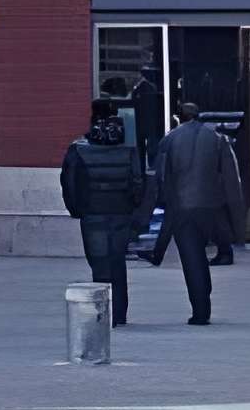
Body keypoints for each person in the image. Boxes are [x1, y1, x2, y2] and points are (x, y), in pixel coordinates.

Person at [59, 95, 153, 327]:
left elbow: (69, 184)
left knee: (99, 264)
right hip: (120, 212)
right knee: (117, 261)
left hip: (92, 214)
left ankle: (104, 314)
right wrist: (132, 208)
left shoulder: (79, 149)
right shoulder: (128, 149)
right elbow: (138, 182)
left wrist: (77, 210)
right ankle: (119, 313)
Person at [148, 99, 244, 324]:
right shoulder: (217, 139)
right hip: (211, 207)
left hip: (182, 209)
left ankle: (201, 310)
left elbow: (159, 178)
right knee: (199, 257)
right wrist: (235, 215)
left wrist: (152, 209)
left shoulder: (169, 140)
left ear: (178, 117)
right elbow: (231, 180)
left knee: (193, 260)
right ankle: (203, 302)